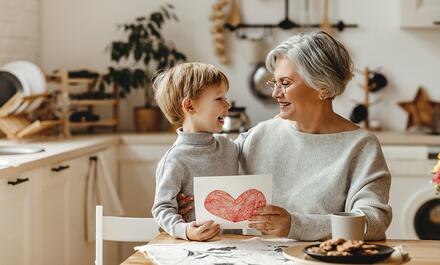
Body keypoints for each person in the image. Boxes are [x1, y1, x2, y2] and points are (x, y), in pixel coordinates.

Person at [178, 31, 392, 241]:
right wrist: (188, 199)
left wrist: (294, 225)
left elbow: (374, 222)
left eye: (286, 83)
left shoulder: (361, 146)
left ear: (323, 88)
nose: (275, 93)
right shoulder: (259, 135)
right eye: (275, 83)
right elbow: (213, 173)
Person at [151, 62, 239, 241]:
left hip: (236, 247)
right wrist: (185, 230)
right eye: (219, 98)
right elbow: (161, 208)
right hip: (195, 251)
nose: (227, 104)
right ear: (190, 106)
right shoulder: (174, 159)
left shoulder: (228, 146)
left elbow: (256, 139)